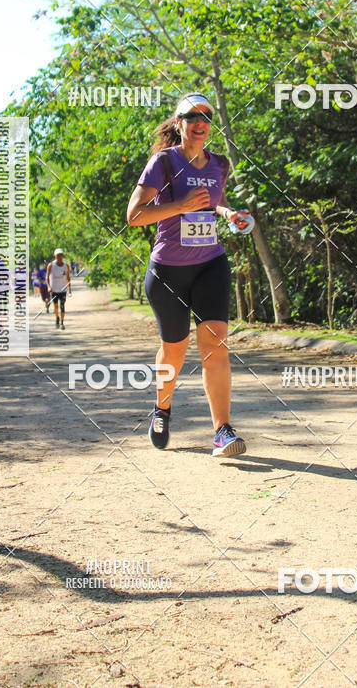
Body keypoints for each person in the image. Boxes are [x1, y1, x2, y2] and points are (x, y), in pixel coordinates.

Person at [126, 92, 250, 457]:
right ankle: (162, 407)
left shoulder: (220, 164)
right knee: (174, 351)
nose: (200, 123)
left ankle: (222, 431)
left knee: (215, 343)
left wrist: (228, 214)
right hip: (168, 271)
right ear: (178, 124)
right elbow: (134, 215)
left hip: (210, 263)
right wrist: (178, 206)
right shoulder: (163, 163)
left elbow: (215, 201)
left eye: (206, 117)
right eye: (192, 116)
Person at [47, 248, 71, 330]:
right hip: (54, 290)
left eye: (61, 255)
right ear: (55, 256)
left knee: (62, 306)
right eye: (58, 255)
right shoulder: (51, 265)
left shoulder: (66, 265)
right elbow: (47, 278)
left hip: (63, 289)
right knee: (56, 306)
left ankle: (62, 322)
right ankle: (57, 317)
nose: (59, 257)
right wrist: (49, 286)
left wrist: (69, 288)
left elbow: (68, 277)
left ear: (63, 256)